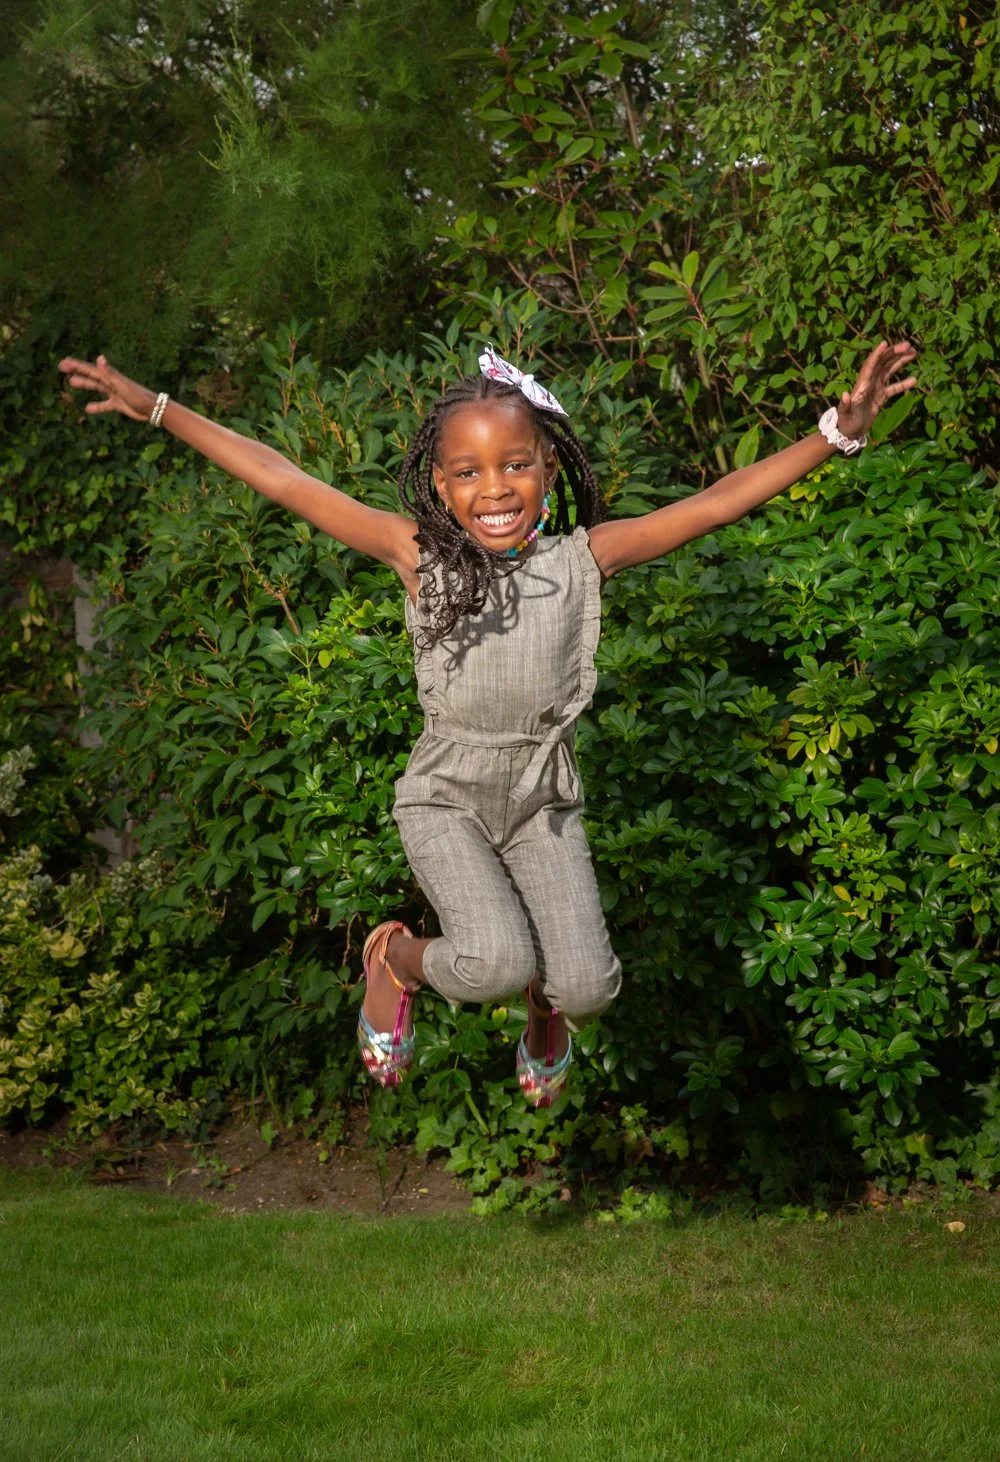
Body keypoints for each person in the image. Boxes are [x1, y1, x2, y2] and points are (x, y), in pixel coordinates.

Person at [59, 338, 916, 1106]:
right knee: (494, 961)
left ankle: (546, 1011)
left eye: (514, 465)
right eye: (467, 472)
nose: (494, 488)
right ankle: (394, 960)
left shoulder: (586, 559)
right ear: (440, 485)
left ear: (547, 465)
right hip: (448, 801)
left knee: (587, 989)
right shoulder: (417, 557)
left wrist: (835, 435)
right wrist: (163, 410)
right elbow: (286, 477)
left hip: (542, 800)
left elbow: (720, 501)